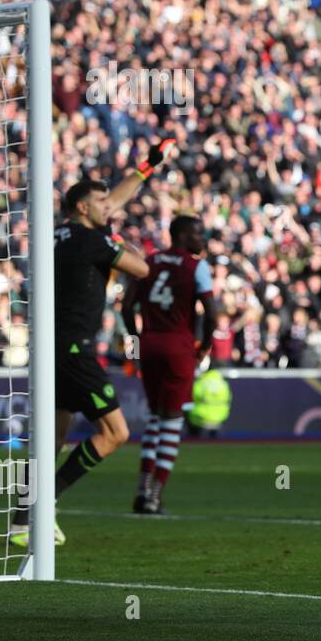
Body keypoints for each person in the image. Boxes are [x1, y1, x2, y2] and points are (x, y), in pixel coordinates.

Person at [9, 139, 175, 548]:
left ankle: (20, 519)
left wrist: (144, 168)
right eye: (102, 204)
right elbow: (141, 269)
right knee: (115, 432)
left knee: (52, 437)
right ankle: (45, 503)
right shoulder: (93, 239)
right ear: (84, 208)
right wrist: (116, 240)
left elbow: (109, 202)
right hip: (73, 349)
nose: (110, 208)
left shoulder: (61, 234)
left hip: (51, 345)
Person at [121, 215, 217, 514]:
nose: (203, 239)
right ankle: (155, 495)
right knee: (172, 422)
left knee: (154, 418)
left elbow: (127, 308)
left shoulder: (148, 261)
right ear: (183, 235)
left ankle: (142, 489)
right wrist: (204, 346)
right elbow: (212, 313)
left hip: (149, 345)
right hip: (179, 347)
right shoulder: (196, 266)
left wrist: (135, 347)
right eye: (198, 233)